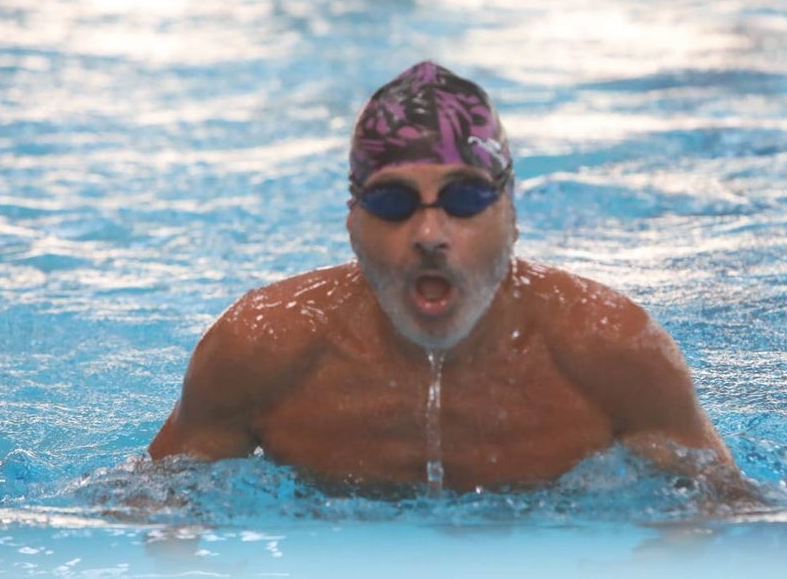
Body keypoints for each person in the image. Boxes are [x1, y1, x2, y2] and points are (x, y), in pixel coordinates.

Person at [149, 60, 752, 502]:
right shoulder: (259, 350)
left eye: (464, 198)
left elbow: (727, 514)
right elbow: (150, 512)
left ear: (510, 214)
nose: (430, 233)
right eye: (393, 201)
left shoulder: (611, 349)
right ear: (352, 220)